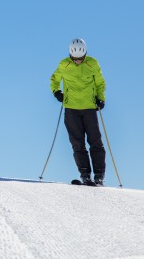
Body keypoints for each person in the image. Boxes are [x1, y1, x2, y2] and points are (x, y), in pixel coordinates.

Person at [50, 38, 106, 186]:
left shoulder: (92, 63)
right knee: (77, 143)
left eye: (81, 58)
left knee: (95, 142)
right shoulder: (64, 64)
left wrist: (101, 99)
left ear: (85, 54)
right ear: (70, 55)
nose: (78, 61)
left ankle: (99, 175)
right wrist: (57, 92)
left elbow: (100, 82)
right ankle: (85, 175)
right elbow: (54, 80)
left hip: (89, 108)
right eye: (75, 59)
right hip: (71, 109)